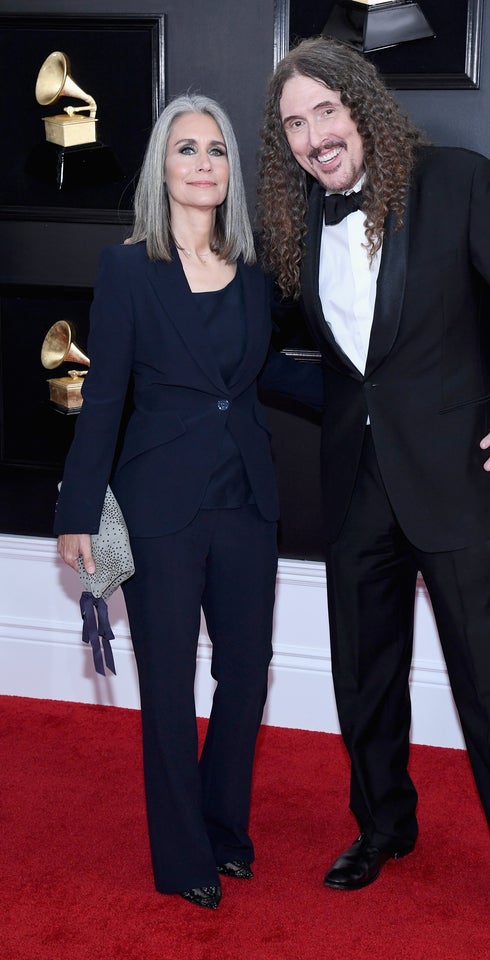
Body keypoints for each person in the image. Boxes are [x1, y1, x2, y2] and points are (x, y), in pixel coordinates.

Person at [256, 37, 490, 948]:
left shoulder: (458, 183)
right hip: (357, 483)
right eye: (295, 123)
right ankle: (382, 827)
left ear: (361, 105)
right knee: (364, 677)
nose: (315, 135)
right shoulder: (295, 226)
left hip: (461, 481)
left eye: (326, 110)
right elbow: (334, 362)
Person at [55, 93, 320, 910]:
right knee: (167, 684)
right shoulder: (128, 268)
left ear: (229, 171)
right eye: (186, 150)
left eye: (216, 150)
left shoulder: (255, 272)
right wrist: (76, 511)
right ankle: (182, 857)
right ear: (161, 169)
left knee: (247, 675)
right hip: (159, 504)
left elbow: (262, 373)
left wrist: (372, 394)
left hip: (246, 498)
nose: (203, 163)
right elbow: (104, 400)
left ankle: (226, 830)